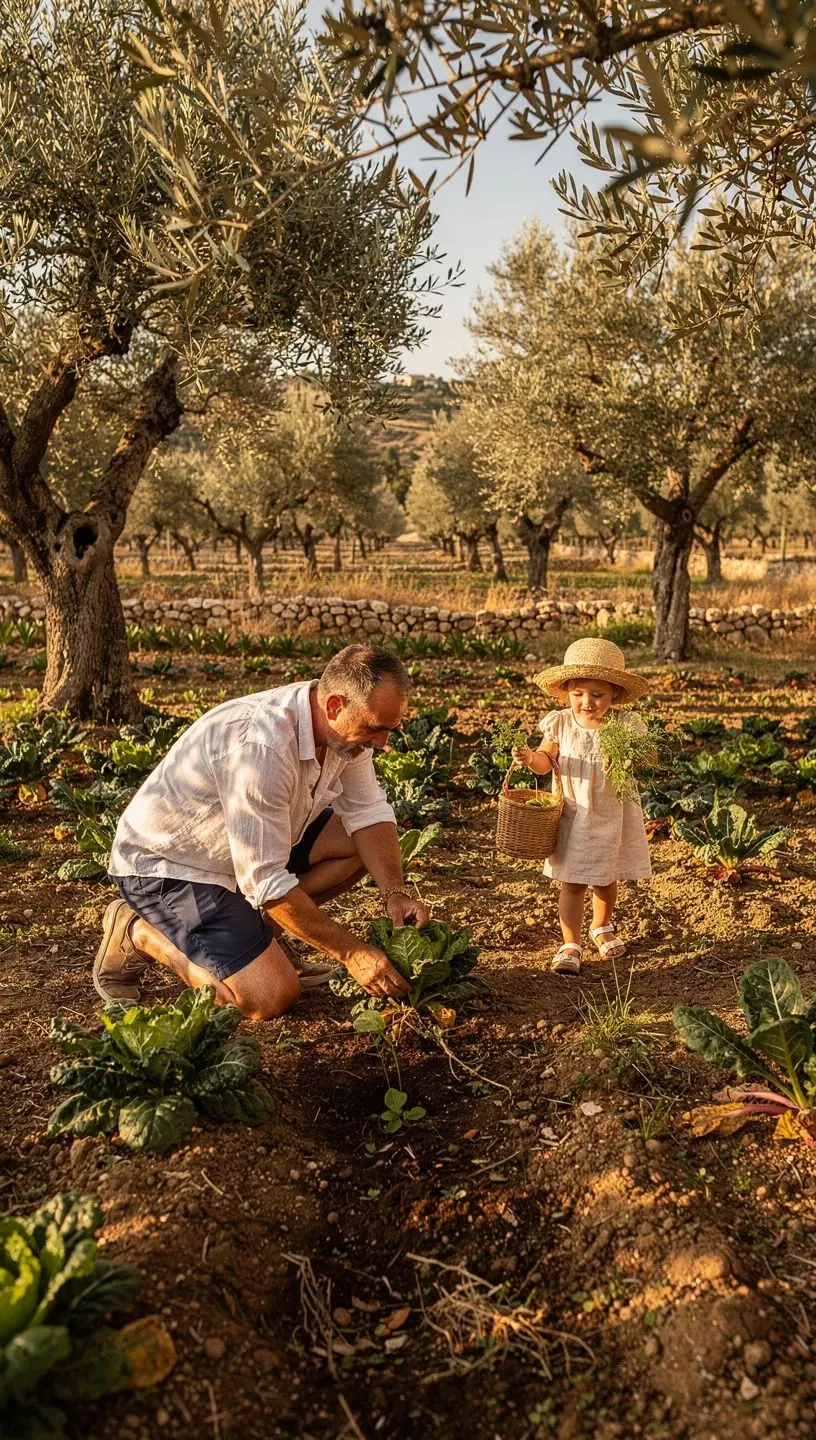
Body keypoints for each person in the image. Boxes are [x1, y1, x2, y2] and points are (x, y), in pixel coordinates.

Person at [94, 645, 429, 1018]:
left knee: (360, 846)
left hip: (245, 852)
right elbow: (266, 881)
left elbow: (369, 813)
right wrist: (351, 951)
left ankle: (260, 941)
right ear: (334, 705)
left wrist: (394, 893)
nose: (381, 743)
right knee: (269, 997)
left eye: (388, 730)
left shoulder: (345, 733)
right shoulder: (262, 746)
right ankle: (140, 932)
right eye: (374, 728)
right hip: (167, 867)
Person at [511, 637, 651, 976]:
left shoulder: (624, 727)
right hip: (573, 814)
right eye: (578, 694)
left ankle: (601, 926)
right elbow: (547, 762)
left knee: (606, 878)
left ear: (615, 694)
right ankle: (570, 942)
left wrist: (625, 755)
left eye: (597, 695)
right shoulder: (559, 723)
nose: (586, 702)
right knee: (572, 882)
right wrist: (531, 758)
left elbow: (648, 757)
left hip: (610, 814)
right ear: (567, 692)